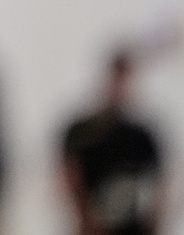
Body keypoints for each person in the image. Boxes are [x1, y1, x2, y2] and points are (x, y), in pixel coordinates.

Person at [60, 48, 165, 235]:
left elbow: (159, 185)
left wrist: (154, 220)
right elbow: (68, 177)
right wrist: (87, 217)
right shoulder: (82, 132)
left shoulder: (142, 137)